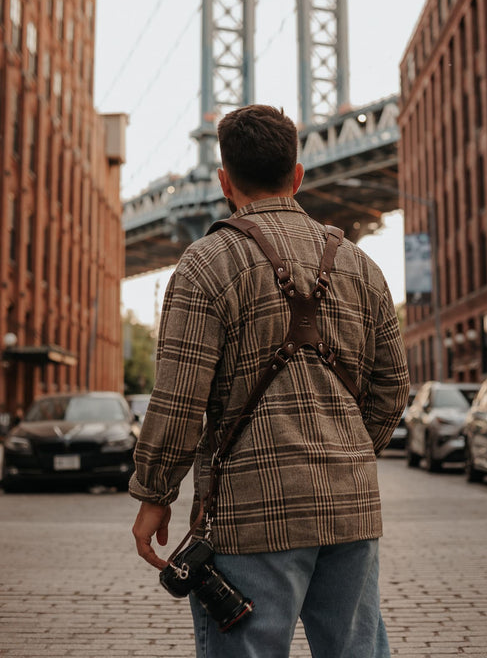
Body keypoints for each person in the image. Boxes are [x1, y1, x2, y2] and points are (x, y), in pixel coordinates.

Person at [130, 104, 410, 658]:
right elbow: (392, 388)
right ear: (299, 175)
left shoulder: (204, 263)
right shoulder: (361, 266)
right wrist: (345, 450)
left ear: (224, 182)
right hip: (349, 507)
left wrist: (154, 493)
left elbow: (179, 398)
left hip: (248, 514)